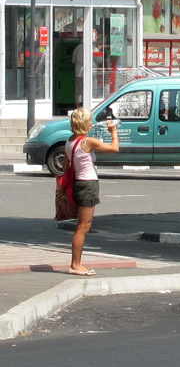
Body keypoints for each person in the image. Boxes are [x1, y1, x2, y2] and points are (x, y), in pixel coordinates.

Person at [67, 107, 120, 276]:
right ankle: (76, 265)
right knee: (83, 227)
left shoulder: (70, 141)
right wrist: (113, 132)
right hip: (87, 184)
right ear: (83, 123)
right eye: (89, 120)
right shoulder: (87, 142)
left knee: (82, 226)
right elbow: (114, 149)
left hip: (78, 183)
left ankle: (77, 264)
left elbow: (65, 166)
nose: (91, 123)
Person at [72, 41, 85, 107]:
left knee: (78, 90)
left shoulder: (77, 48)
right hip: (87, 71)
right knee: (86, 89)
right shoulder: (88, 48)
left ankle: (78, 107)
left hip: (78, 71)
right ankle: (85, 105)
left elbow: (73, 60)